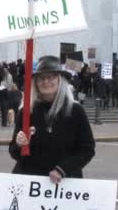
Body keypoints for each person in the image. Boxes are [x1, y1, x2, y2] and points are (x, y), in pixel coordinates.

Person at [9, 55, 95, 183]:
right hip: (31, 183)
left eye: (51, 77)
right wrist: (19, 144)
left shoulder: (75, 111)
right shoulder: (26, 111)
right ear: (36, 83)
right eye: (41, 78)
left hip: (64, 184)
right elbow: (14, 152)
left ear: (60, 80)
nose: (45, 81)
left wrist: (62, 170)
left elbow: (87, 149)